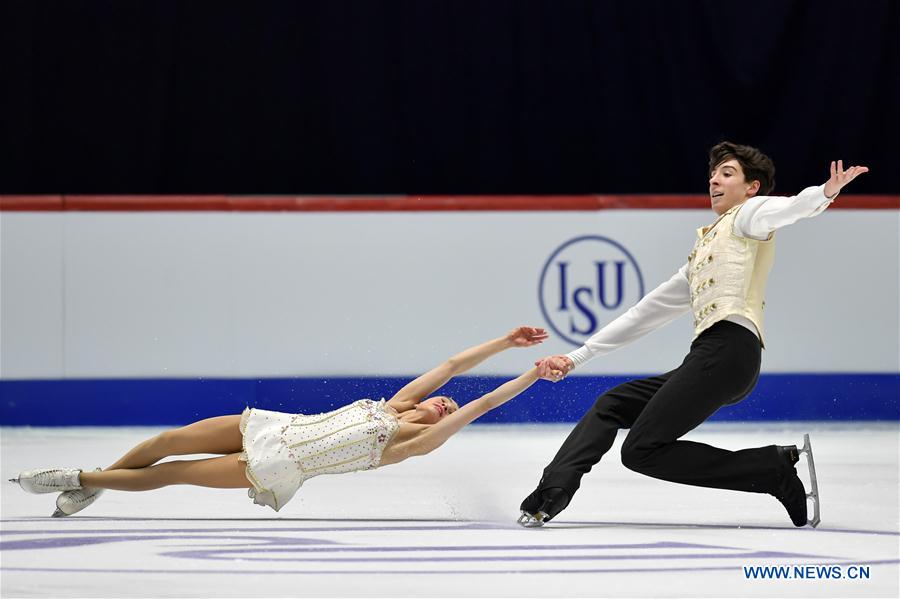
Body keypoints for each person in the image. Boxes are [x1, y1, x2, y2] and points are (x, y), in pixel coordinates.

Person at [519, 143, 868, 528]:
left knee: (641, 451)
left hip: (729, 352)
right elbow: (644, 313)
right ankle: (552, 493)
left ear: (752, 187)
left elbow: (790, 208)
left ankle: (770, 469)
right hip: (710, 358)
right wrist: (576, 357)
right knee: (612, 404)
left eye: (727, 173)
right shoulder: (703, 249)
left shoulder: (749, 215)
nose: (714, 180)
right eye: (713, 174)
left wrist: (825, 192)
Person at [11, 326, 558, 516]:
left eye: (451, 408)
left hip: (279, 467)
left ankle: (77, 479)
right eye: (445, 401)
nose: (448, 403)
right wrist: (506, 341)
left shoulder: (413, 441)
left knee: (173, 472)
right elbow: (450, 366)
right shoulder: (395, 405)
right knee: (167, 440)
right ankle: (103, 482)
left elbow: (483, 403)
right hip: (273, 426)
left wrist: (531, 375)